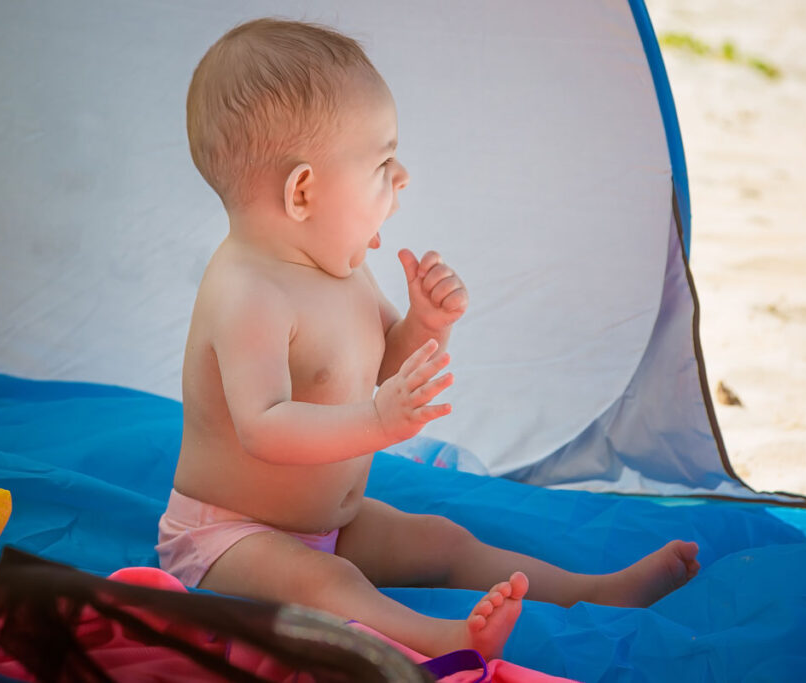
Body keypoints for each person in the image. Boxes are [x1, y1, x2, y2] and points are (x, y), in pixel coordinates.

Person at [157, 17, 700, 660]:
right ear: (303, 191)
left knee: (442, 541)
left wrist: (426, 325)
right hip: (230, 537)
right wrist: (376, 423)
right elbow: (263, 427)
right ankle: (445, 641)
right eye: (383, 161)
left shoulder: (342, 267)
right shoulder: (248, 292)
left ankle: (597, 590)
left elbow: (388, 365)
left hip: (328, 520)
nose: (404, 175)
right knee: (328, 583)